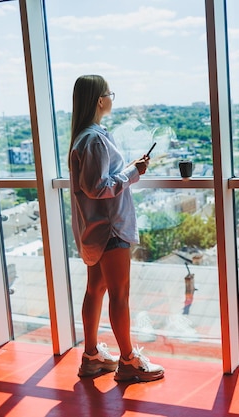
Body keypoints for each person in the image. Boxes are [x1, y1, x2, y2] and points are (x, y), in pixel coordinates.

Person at [68, 74, 164, 382]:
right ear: (100, 100)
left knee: (95, 289)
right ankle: (128, 362)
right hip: (110, 227)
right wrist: (133, 173)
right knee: (119, 294)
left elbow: (94, 183)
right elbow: (99, 187)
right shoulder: (94, 139)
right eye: (110, 93)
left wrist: (128, 168)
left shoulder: (84, 137)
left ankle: (92, 356)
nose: (112, 98)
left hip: (94, 228)